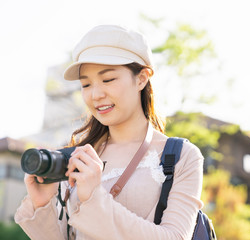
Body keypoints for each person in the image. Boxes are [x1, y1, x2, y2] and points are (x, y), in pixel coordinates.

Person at [14, 25, 204, 240]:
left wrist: (94, 199)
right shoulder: (78, 157)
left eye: (108, 80)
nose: (95, 94)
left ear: (141, 78)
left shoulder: (181, 155)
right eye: (86, 84)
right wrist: (43, 205)